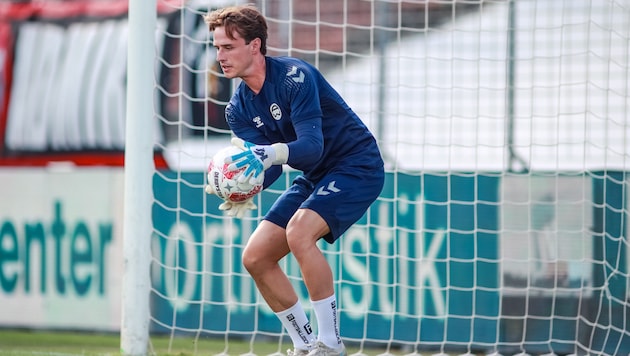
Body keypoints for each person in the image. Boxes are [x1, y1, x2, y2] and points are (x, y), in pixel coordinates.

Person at [203, 4, 384, 356]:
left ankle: (330, 344)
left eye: (228, 47)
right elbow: (270, 167)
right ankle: (304, 345)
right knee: (255, 256)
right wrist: (245, 185)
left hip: (356, 165)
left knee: (299, 232)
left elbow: (311, 148)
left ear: (255, 45)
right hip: (316, 174)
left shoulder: (294, 77)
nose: (219, 56)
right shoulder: (237, 109)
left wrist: (268, 154)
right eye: (216, 47)